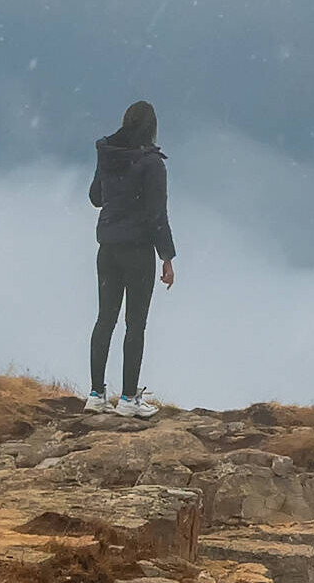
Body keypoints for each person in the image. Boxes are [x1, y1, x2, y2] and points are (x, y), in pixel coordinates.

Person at [87, 101, 177, 412]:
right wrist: (167, 257)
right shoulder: (152, 164)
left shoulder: (108, 154)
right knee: (135, 324)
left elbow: (95, 197)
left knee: (104, 320)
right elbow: (157, 216)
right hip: (138, 251)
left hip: (107, 248)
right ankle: (127, 400)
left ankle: (96, 395)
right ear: (152, 128)